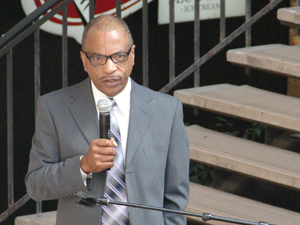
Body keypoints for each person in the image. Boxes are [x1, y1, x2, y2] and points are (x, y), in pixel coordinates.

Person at [25, 15, 190, 225]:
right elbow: (36, 185)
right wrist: (82, 166)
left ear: (132, 55)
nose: (110, 68)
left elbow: (175, 199)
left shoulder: (167, 110)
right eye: (98, 58)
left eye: (119, 56)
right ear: (84, 60)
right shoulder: (54, 107)